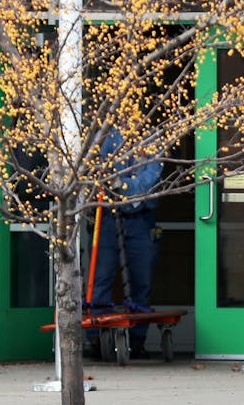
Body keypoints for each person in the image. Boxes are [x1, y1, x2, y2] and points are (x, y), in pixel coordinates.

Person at [86, 127, 163, 359]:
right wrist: (114, 183)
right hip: (108, 217)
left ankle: (137, 341)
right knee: (101, 278)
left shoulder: (153, 137)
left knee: (142, 281)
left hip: (141, 219)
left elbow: (152, 177)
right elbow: (100, 172)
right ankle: (97, 339)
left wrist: (125, 186)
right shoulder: (106, 136)